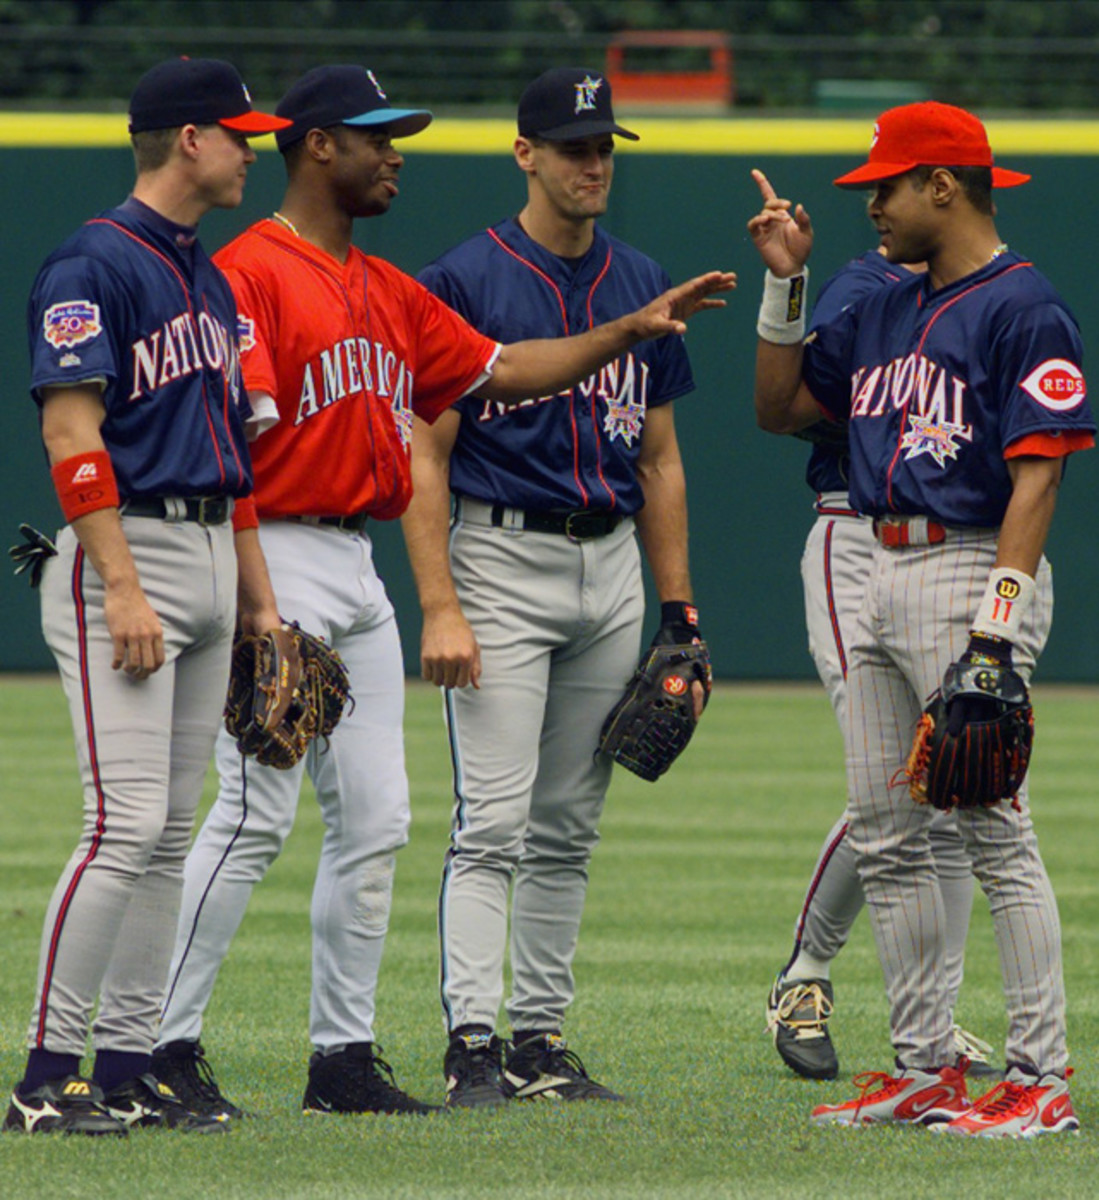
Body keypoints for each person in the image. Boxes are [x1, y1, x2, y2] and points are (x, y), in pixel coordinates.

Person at [150, 63, 733, 1119]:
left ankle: (341, 1061)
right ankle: (161, 1047)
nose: (395, 155)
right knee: (251, 818)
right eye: (377, 137)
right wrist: (256, 602)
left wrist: (625, 331)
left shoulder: (385, 287)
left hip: (353, 560)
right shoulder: (249, 274)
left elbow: (505, 370)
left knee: (378, 822)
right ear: (318, 145)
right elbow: (228, 449)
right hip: (270, 549)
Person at [749, 100, 1093, 1137]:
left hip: (968, 564)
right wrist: (784, 287)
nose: (872, 207)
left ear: (943, 185)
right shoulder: (886, 305)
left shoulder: (1023, 306)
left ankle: (1039, 1078)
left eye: (886, 187)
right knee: (889, 833)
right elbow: (779, 409)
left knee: (992, 832)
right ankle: (925, 1067)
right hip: (878, 563)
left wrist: (995, 631)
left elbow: (1038, 478)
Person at [402, 66, 708, 1109]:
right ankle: (471, 1044)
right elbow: (426, 453)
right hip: (500, 555)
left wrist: (679, 611)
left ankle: (538, 1042)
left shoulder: (642, 278)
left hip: (609, 561)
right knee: (493, 820)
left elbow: (658, 459)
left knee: (568, 825)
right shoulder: (463, 279)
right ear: (524, 154)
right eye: (573, 147)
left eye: (604, 146)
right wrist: (440, 602)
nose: (593, 163)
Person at [4, 58, 290, 1137]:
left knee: (169, 834)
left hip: (212, 550)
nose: (253, 150)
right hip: (128, 557)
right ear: (189, 140)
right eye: (239, 133)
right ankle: (43, 1081)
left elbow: (233, 457)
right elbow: (69, 431)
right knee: (121, 826)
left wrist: (258, 603)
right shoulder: (94, 263)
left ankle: (125, 1070)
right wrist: (120, 585)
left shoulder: (207, 277)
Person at [764, 245, 1000, 1084]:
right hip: (854, 530)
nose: (882, 201)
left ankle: (934, 1019)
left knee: (957, 775)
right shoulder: (865, 289)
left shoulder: (991, 294)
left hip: (953, 543)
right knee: (900, 780)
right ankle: (804, 973)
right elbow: (789, 407)